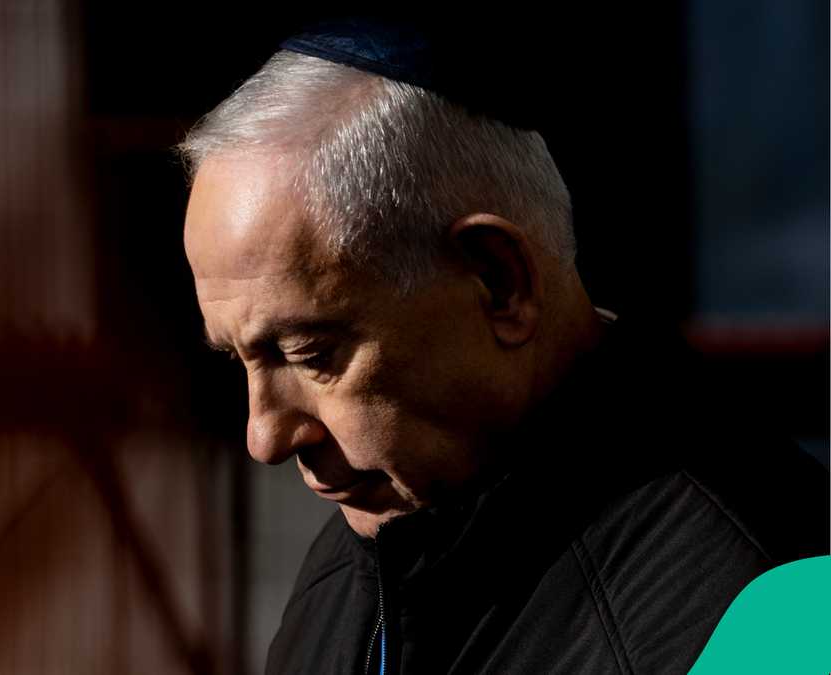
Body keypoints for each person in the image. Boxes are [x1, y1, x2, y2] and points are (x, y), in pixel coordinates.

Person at [177, 17, 829, 675]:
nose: (264, 437)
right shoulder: (369, 550)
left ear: (500, 282)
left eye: (310, 354)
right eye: (239, 359)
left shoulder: (771, 613)